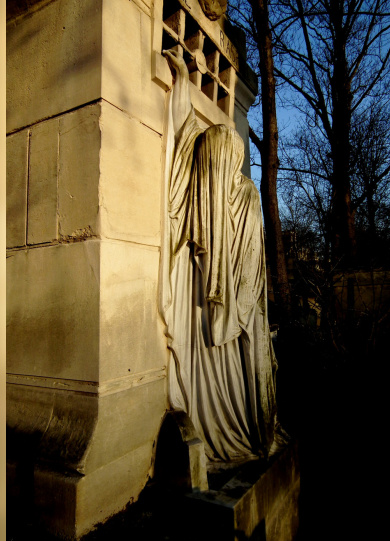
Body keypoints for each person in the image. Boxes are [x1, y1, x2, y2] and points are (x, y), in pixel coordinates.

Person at [159, 46, 280, 461]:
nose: (206, 168)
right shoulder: (214, 176)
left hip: (228, 320)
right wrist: (183, 83)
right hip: (212, 318)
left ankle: (240, 425)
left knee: (233, 377)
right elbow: (188, 132)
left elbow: (249, 275)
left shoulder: (244, 197)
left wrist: (233, 310)